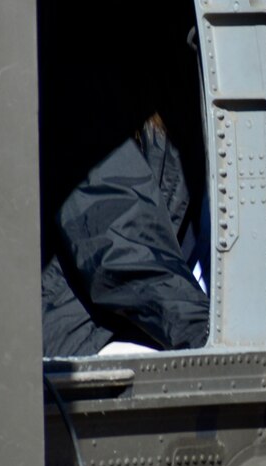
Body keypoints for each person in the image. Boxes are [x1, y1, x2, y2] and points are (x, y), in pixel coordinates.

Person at [41, 113, 209, 357]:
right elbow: (121, 246)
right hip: (88, 335)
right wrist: (205, 333)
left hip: (155, 323)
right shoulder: (83, 98)